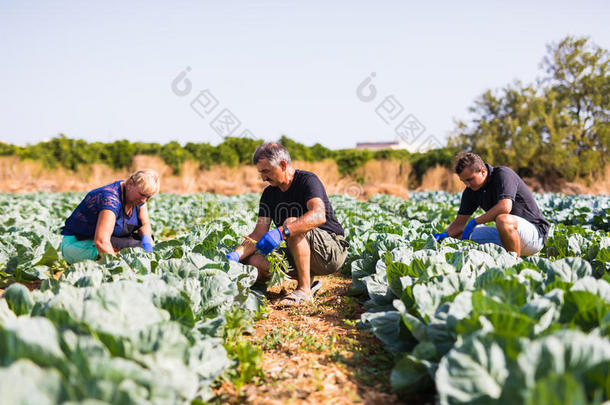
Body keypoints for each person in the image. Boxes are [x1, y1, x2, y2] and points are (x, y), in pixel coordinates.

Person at [226, 143, 349, 306]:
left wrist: (282, 231)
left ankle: (304, 290)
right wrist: (233, 257)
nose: (263, 178)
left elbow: (319, 215)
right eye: (260, 173)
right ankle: (307, 281)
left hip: (330, 251)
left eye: (266, 171)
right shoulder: (269, 194)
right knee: (253, 261)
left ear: (283, 165)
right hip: (298, 251)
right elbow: (258, 234)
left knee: (292, 223)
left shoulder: (307, 180)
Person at [434, 153, 549, 257]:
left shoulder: (503, 175)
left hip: (534, 236)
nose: (467, 184)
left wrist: (475, 222)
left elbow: (505, 207)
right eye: (464, 181)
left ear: (483, 171)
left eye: (470, 179)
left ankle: (514, 264)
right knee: (457, 237)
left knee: (502, 219)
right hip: (506, 236)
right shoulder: (470, 191)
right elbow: (459, 224)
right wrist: (443, 236)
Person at [60, 169, 160, 264]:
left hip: (100, 240)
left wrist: (148, 245)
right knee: (134, 250)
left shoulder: (138, 198)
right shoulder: (110, 199)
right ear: (130, 184)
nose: (144, 200)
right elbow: (101, 241)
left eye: (148, 197)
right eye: (142, 195)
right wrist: (117, 266)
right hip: (78, 245)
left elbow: (145, 224)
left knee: (143, 243)